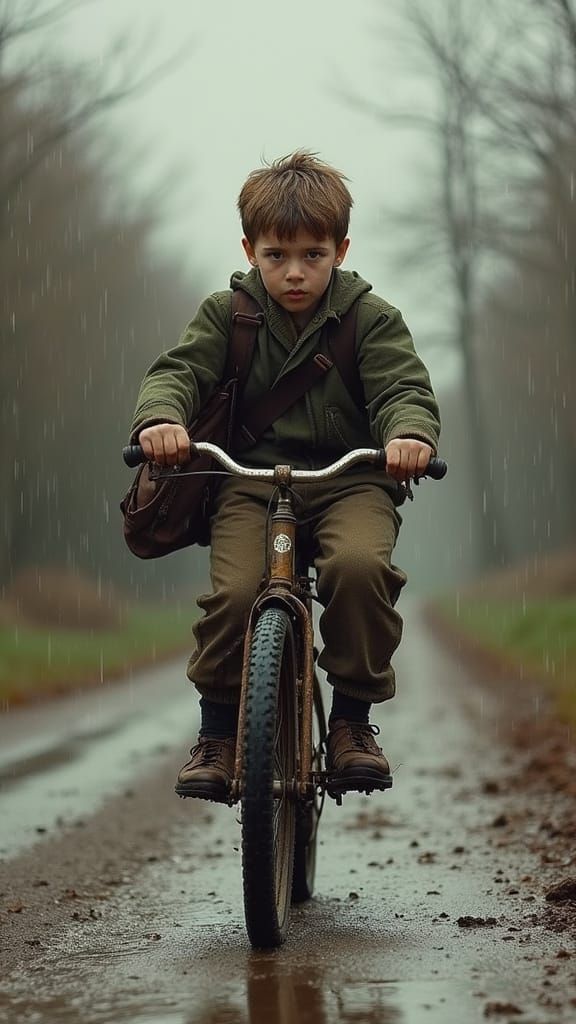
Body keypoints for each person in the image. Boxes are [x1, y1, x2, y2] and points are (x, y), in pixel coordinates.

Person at [129, 150, 441, 804]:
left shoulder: (370, 318)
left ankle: (353, 720)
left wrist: (407, 436)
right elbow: (177, 373)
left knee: (359, 568)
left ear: (341, 249)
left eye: (312, 255)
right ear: (249, 249)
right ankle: (217, 733)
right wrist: (162, 419)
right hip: (251, 482)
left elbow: (401, 387)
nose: (295, 272)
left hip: (350, 481)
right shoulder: (227, 315)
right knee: (237, 594)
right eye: (276, 256)